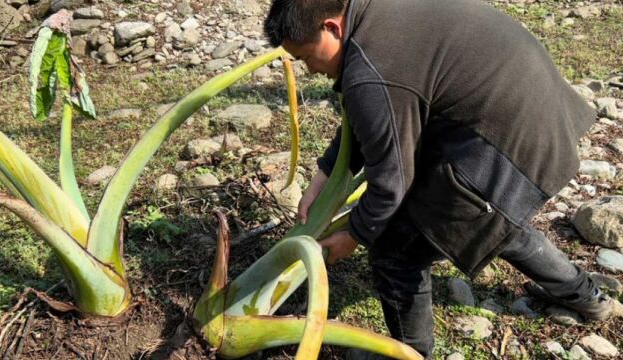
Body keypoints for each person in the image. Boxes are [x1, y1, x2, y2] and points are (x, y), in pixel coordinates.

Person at [264, 0, 623, 358]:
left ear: (331, 28)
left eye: (308, 56)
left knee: (394, 252)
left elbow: (391, 183)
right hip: (536, 112)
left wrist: (356, 235)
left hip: (507, 139)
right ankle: (586, 296)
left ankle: (410, 351)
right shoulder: (375, 12)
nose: (310, 70)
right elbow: (378, 114)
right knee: (491, 221)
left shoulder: (371, 69)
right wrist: (324, 174)